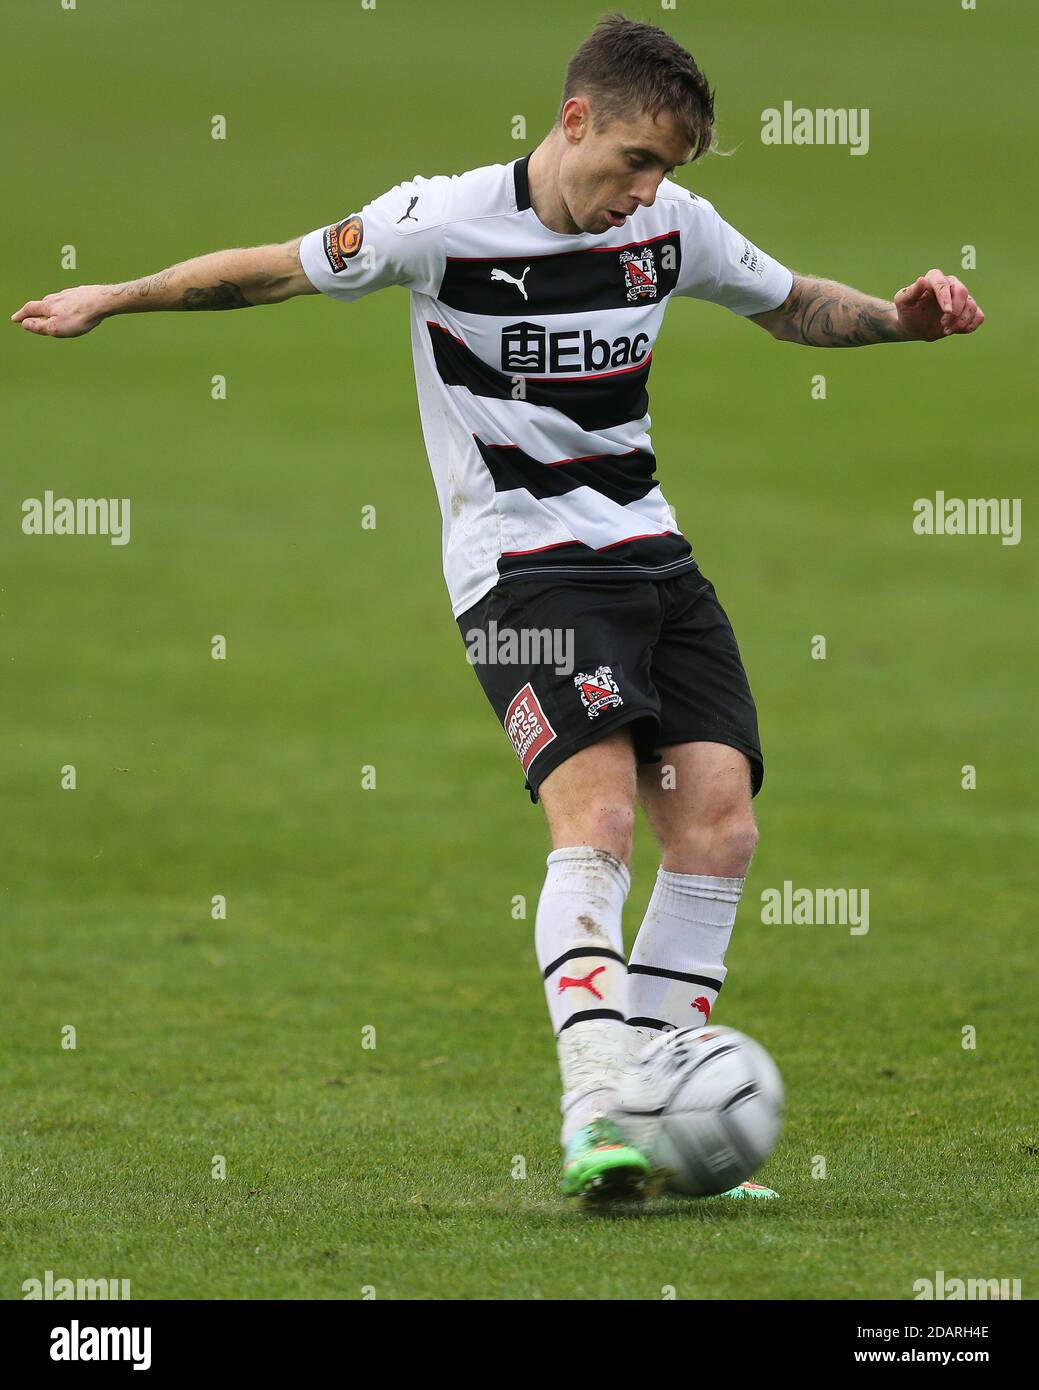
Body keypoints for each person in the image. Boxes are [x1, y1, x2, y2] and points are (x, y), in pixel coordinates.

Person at [12, 13, 984, 1203]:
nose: (646, 191)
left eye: (666, 171)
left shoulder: (670, 229)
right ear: (574, 119)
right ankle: (597, 1114)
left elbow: (785, 301)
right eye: (633, 160)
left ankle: (669, 1117)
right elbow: (271, 268)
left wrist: (898, 318)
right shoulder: (438, 221)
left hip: (652, 557)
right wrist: (115, 294)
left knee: (718, 826)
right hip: (522, 573)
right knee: (597, 824)